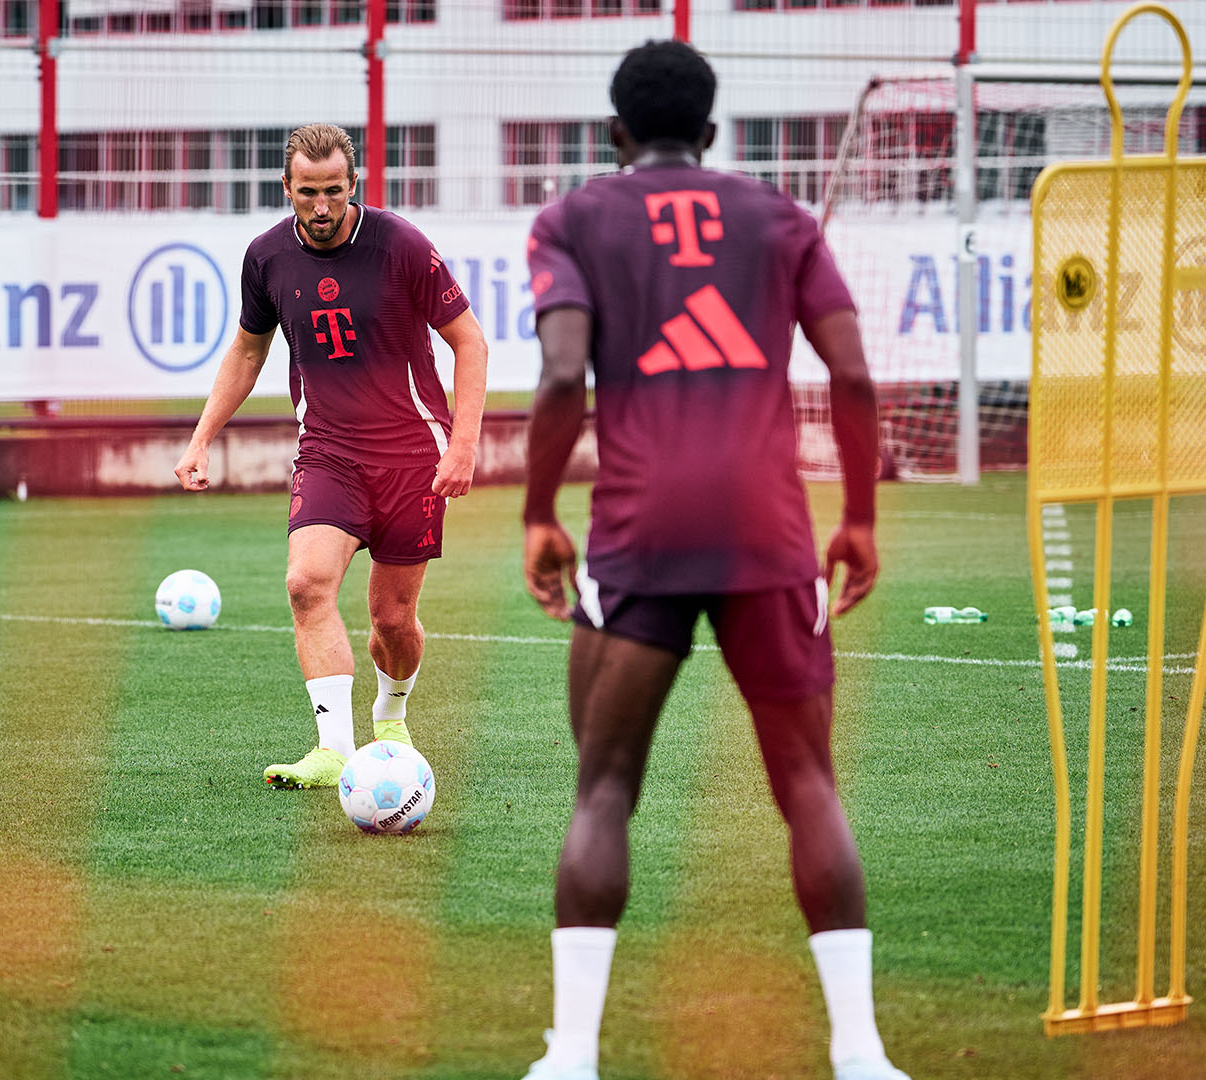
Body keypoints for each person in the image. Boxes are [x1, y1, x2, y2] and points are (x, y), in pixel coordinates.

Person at [516, 41, 906, 1080]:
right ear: (716, 133)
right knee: (809, 785)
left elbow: (561, 378)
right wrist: (859, 518)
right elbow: (856, 375)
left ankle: (574, 1058)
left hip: (640, 529)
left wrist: (538, 513)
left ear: (615, 133)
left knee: (603, 790)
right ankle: (861, 1054)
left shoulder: (574, 219)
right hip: (768, 529)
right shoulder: (780, 218)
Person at [175, 123, 489, 789]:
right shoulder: (265, 258)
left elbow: (471, 342)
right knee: (305, 584)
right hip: (329, 453)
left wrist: (463, 446)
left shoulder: (401, 245)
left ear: (355, 187)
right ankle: (333, 749)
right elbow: (248, 351)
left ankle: (392, 714)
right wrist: (201, 438)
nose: (322, 207)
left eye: (335, 192)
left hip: (413, 458)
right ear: (287, 187)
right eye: (308, 192)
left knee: (392, 621)